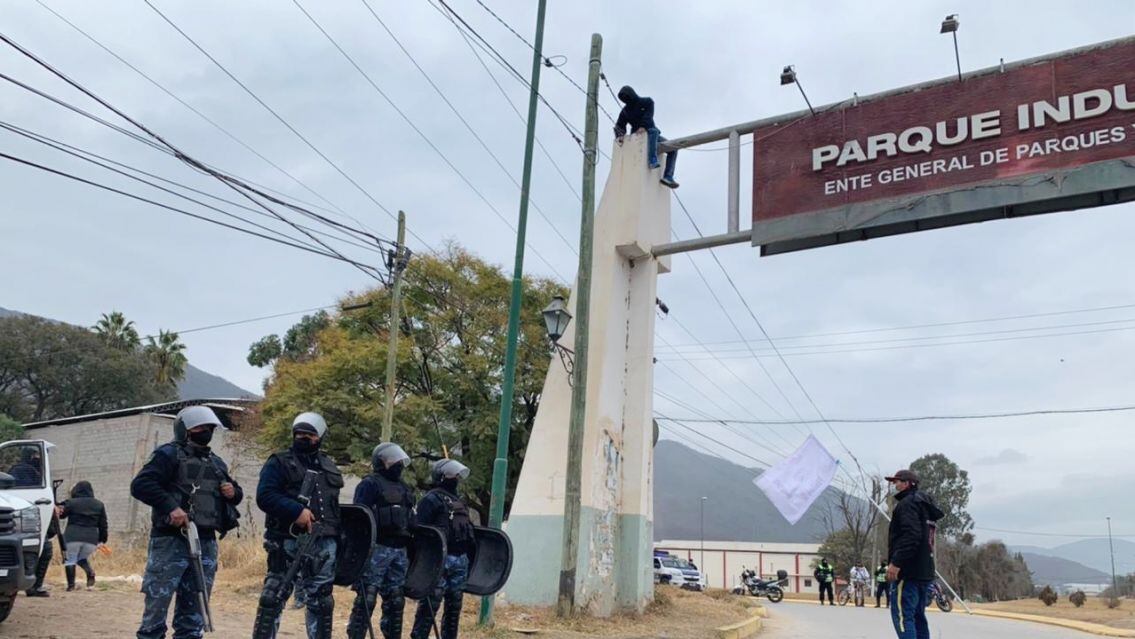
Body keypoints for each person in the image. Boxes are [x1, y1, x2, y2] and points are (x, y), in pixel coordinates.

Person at [130, 405, 243, 639]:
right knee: (157, 605)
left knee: (195, 612)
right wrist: (171, 507)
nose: (205, 431)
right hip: (171, 541)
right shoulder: (168, 454)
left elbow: (236, 495)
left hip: (206, 542)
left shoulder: (216, 462)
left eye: (209, 427)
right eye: (199, 427)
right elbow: (141, 485)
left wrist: (233, 492)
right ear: (185, 430)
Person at [253, 412, 343, 639]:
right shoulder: (279, 462)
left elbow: (334, 508)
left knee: (322, 601)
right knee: (273, 596)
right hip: (286, 540)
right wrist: (296, 511)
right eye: (299, 433)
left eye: (310, 434)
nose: (303, 437)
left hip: (323, 544)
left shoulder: (330, 467)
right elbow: (265, 496)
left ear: (319, 437)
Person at [347, 442, 416, 639]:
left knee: (396, 600)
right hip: (376, 548)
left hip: (399, 550)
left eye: (398, 460)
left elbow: (411, 516)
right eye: (391, 460)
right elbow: (358, 518)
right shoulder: (370, 484)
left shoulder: (404, 487)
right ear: (380, 462)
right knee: (367, 598)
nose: (397, 464)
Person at [410, 459, 475, 639]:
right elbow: (420, 531)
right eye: (450, 475)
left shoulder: (459, 501)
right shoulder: (430, 500)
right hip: (438, 560)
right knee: (431, 602)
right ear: (440, 476)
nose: (454, 478)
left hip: (460, 559)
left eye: (456, 475)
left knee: (454, 605)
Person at [885, 469, 945, 639]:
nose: (895, 484)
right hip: (925, 571)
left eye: (897, 481)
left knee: (904, 616)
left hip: (908, 572)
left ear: (907, 483)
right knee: (918, 616)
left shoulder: (907, 504)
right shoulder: (925, 506)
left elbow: (912, 535)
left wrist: (896, 563)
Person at [614, 85, 679, 189]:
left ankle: (668, 176)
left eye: (628, 96)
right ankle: (652, 160)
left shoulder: (646, 102)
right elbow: (619, 125)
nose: (627, 100)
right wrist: (620, 135)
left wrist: (643, 126)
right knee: (653, 131)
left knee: (673, 148)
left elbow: (649, 113)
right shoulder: (625, 111)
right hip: (638, 134)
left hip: (651, 131)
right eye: (624, 98)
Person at [58, 480, 108, 591]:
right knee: (81, 558)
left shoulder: (71, 502)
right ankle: (90, 573)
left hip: (73, 536)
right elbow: (103, 524)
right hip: (91, 539)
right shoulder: (99, 504)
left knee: (70, 560)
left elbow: (61, 515)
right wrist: (102, 540)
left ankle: (71, 586)